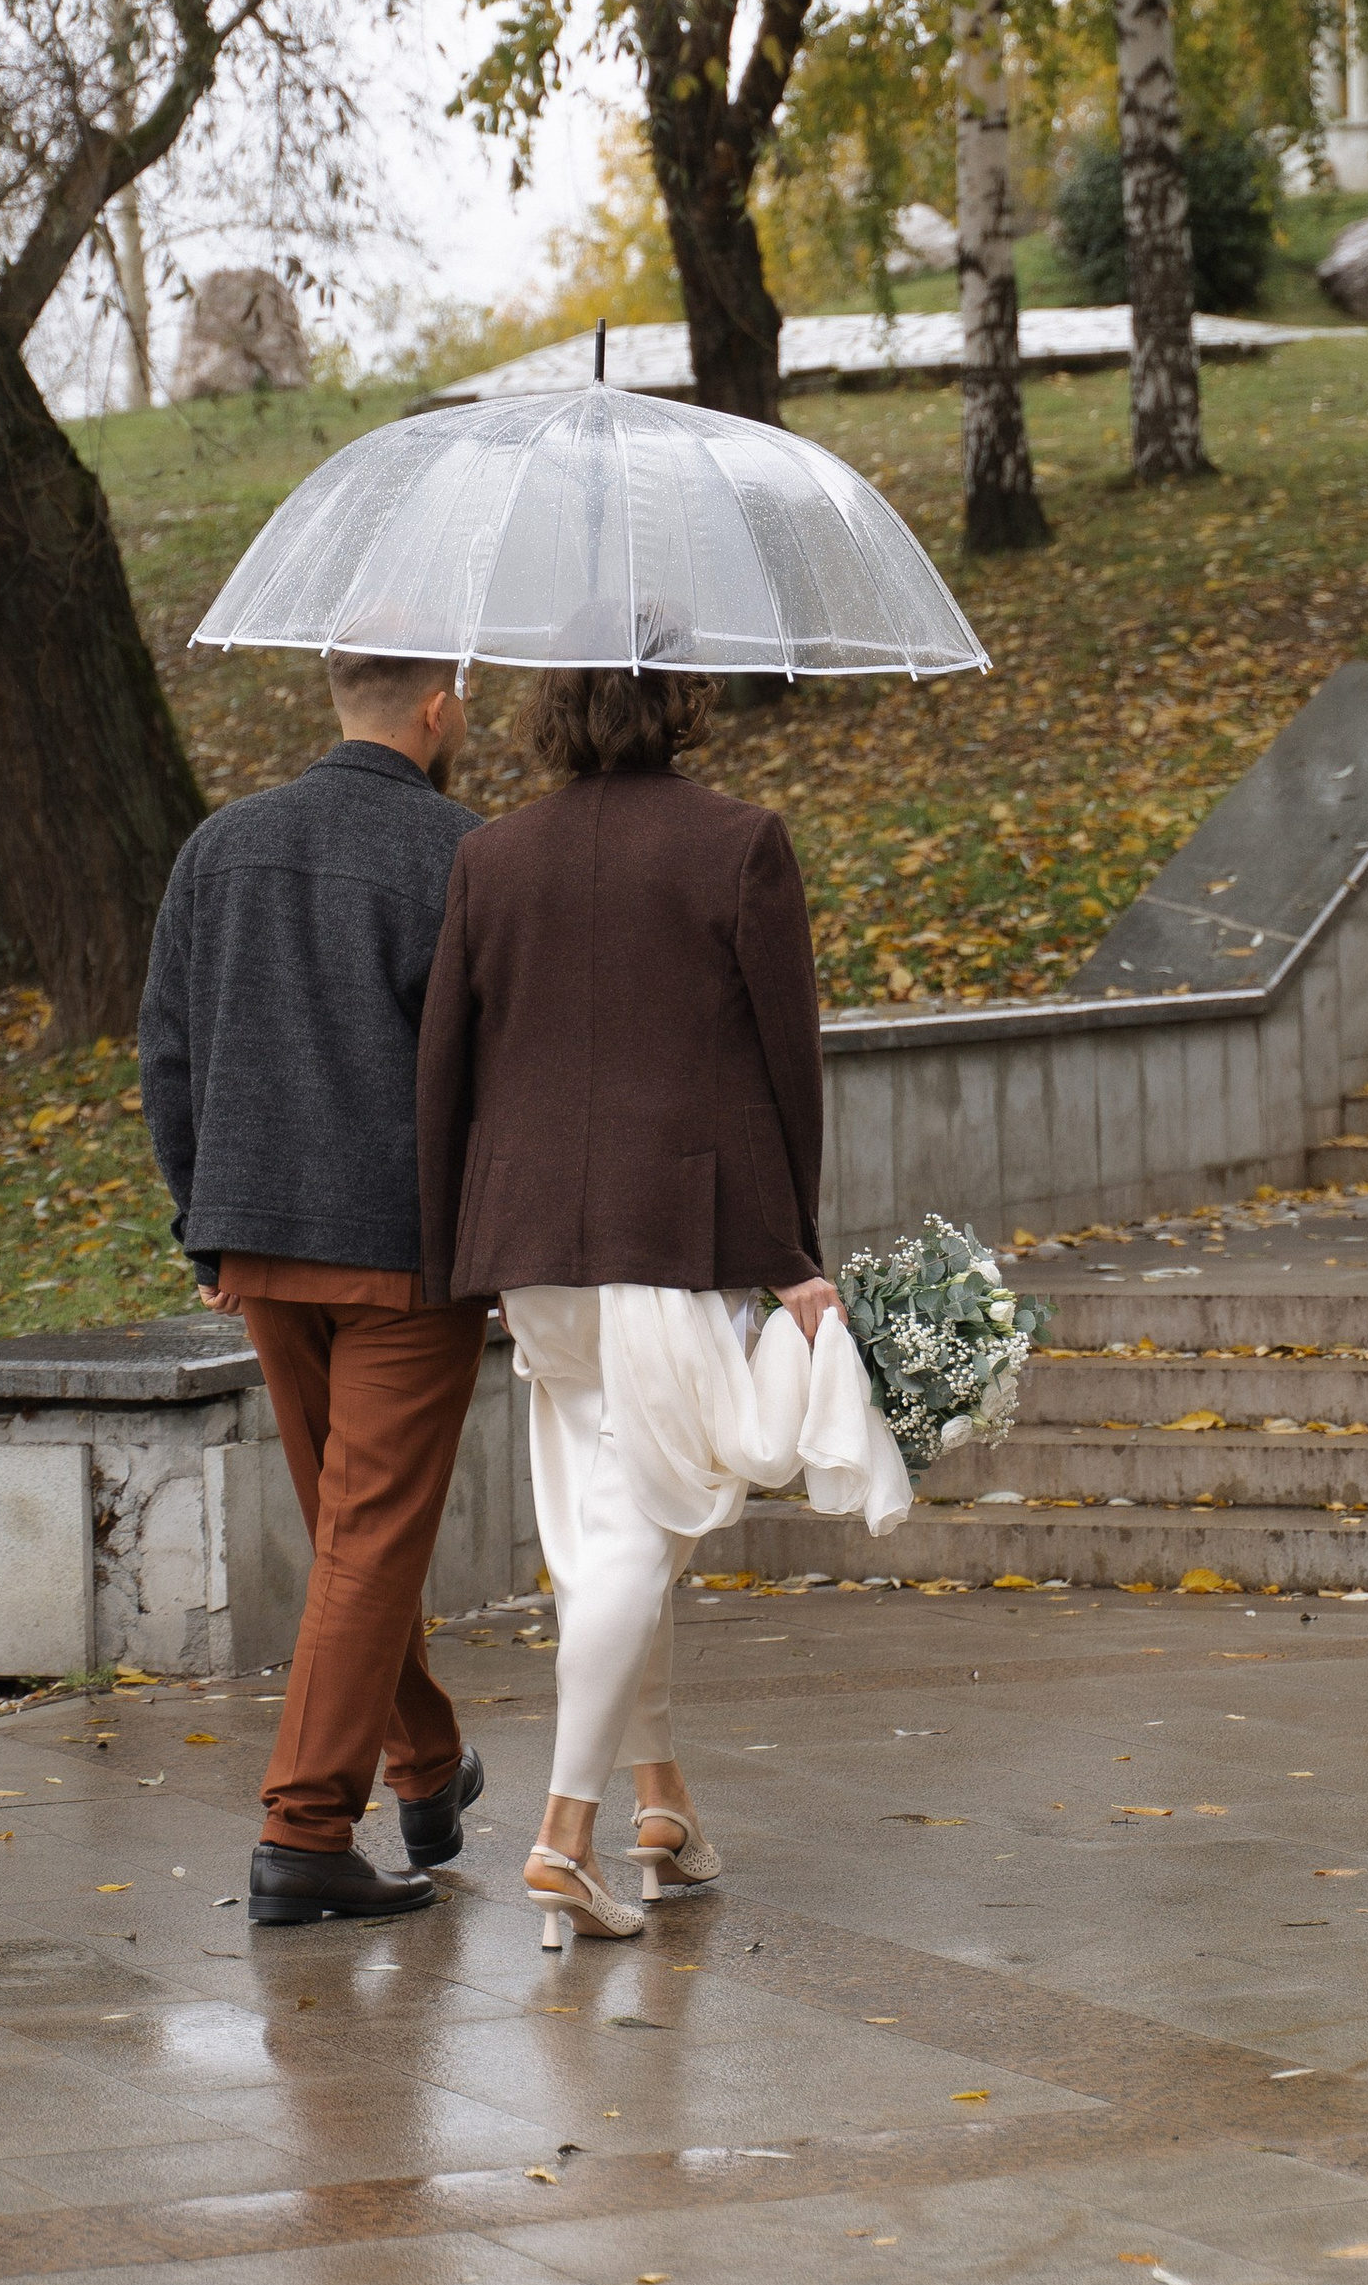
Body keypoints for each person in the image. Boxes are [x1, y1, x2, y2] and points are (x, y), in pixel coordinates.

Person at [417, 663, 887, 1943]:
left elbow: (445, 1070)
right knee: (633, 1536)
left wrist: (449, 1246)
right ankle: (564, 1837)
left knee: (594, 1538)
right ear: (681, 702)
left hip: (530, 1250)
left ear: (551, 716)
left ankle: (660, 1803)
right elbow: (791, 1067)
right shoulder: (740, 844)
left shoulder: (492, 856)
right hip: (668, 1237)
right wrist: (792, 1251)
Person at [140, 648, 488, 1927]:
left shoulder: (219, 846)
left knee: (354, 1534)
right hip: (403, 1257)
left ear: (336, 695)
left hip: (262, 1250)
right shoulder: (463, 852)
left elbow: (165, 1051)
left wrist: (206, 1227)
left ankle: (431, 1766)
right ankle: (303, 1831)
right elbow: (488, 1071)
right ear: (438, 707)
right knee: (370, 1537)